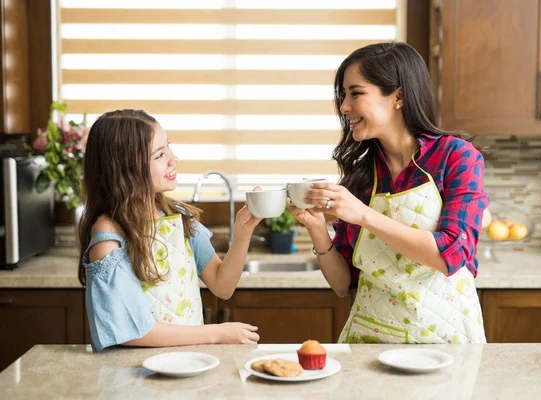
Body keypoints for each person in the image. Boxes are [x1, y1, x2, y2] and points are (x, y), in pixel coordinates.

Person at [290, 42, 489, 344]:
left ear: (397, 96)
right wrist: (316, 226)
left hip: (444, 343)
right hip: (369, 341)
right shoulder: (362, 175)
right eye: (343, 96)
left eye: (355, 93)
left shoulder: (455, 157)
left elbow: (451, 254)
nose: (344, 107)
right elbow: (343, 283)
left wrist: (365, 215)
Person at [78, 109, 261, 352]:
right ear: (126, 167)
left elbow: (222, 285)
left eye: (169, 148)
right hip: (134, 375)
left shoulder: (176, 217)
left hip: (185, 364)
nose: (173, 159)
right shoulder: (108, 235)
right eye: (159, 155)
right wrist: (216, 333)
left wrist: (243, 232)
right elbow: (131, 331)